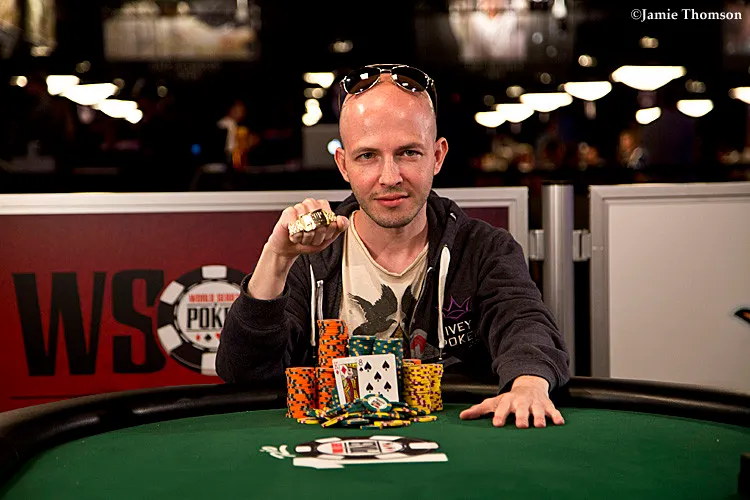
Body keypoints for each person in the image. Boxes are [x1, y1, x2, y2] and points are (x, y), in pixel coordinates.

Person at [216, 64, 570, 429]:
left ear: (437, 156)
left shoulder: (484, 249)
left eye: (408, 153)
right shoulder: (309, 257)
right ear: (343, 164)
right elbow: (244, 376)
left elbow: (524, 323)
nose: (390, 177)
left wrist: (528, 384)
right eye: (367, 156)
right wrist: (276, 258)